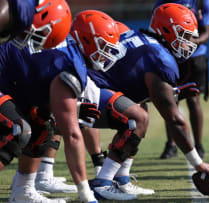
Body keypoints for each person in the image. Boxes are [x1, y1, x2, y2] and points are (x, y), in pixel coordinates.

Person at [71, 4, 209, 201]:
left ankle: (122, 179)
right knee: (137, 118)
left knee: (140, 109)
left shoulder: (144, 40)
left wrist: (173, 93)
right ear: (168, 31)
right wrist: (198, 163)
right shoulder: (160, 58)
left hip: (90, 85)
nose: (189, 42)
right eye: (185, 36)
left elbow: (136, 86)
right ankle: (103, 182)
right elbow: (175, 120)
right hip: (87, 91)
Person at [0, 5, 121, 203]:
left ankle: (23, 191)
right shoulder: (70, 63)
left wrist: (70, 107)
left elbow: (38, 88)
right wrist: (86, 194)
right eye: (104, 46)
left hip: (10, 85)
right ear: (87, 40)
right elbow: (73, 134)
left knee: (41, 124)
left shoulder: (65, 50)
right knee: (16, 129)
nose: (107, 54)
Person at [153, 0, 209, 160]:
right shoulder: (162, 3)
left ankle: (198, 144)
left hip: (195, 56)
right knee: (170, 101)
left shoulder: (201, 2)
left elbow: (206, 34)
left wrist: (189, 42)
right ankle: (171, 144)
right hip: (171, 56)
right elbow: (156, 28)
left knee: (193, 100)